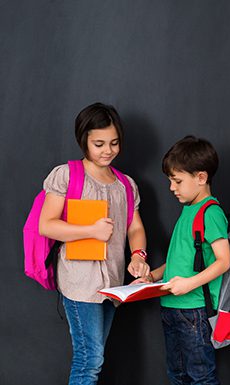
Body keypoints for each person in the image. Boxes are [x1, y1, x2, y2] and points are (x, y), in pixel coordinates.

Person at [38, 102, 149, 385]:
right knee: (90, 359)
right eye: (98, 143)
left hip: (112, 282)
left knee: (94, 357)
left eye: (114, 143)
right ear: (83, 141)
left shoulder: (126, 184)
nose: (107, 150)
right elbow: (47, 224)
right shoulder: (67, 175)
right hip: (79, 281)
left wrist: (138, 255)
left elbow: (134, 226)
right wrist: (91, 230)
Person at [142, 135, 230, 385]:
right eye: (171, 180)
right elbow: (183, 259)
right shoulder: (188, 210)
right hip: (171, 307)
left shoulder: (210, 212)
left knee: (200, 376)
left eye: (177, 180)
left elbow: (223, 262)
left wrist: (188, 285)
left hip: (193, 309)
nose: (172, 187)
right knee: (177, 375)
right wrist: (154, 276)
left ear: (201, 178)